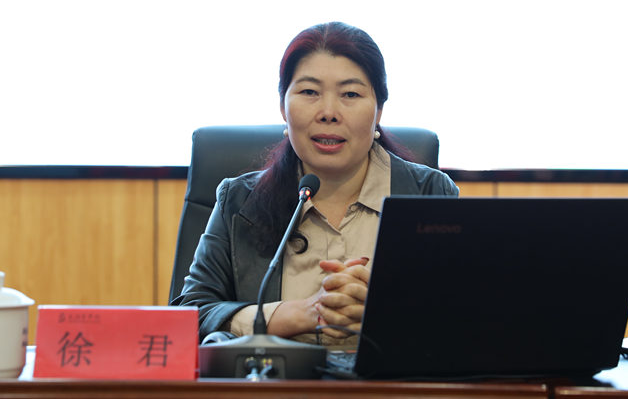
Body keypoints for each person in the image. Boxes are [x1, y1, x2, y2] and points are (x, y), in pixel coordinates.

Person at [172, 21, 459, 346]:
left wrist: (385, 311)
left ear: (378, 111)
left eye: (350, 94)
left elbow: (463, 316)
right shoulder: (238, 202)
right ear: (283, 106)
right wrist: (299, 314)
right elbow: (190, 315)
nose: (328, 112)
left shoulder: (430, 194)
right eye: (309, 92)